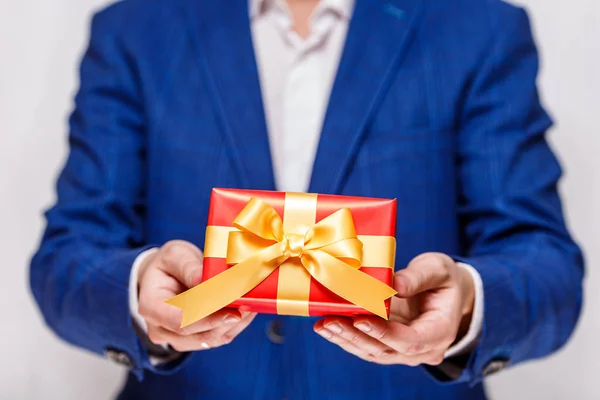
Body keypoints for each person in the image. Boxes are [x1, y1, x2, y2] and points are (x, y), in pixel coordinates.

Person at [30, 0, 584, 399]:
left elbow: (548, 267)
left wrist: (468, 303)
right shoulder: (134, 30)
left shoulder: (478, 27)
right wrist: (137, 289)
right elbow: (66, 257)